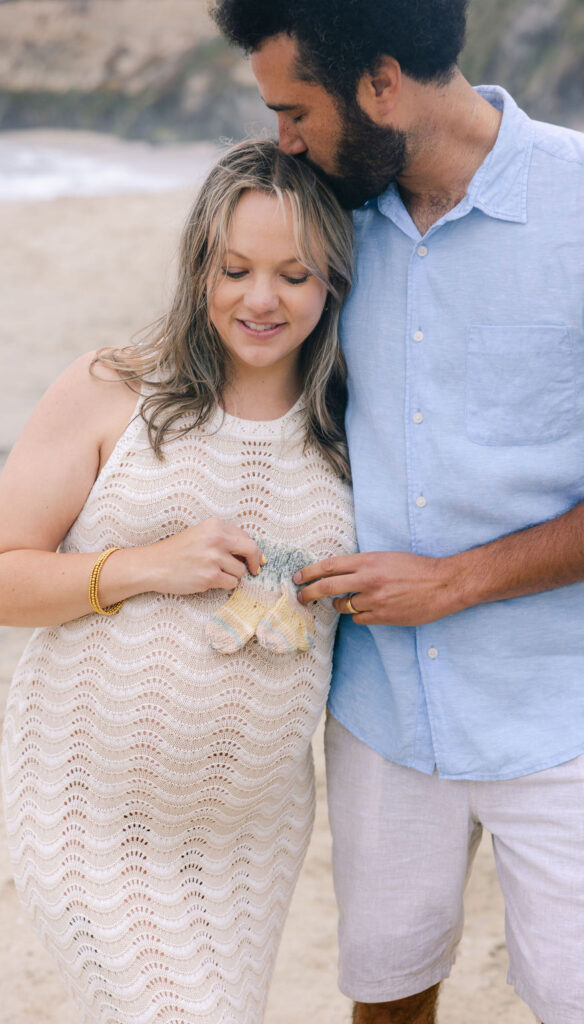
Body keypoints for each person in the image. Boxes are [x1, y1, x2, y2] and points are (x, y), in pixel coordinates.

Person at [214, 2, 584, 1023]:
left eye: (296, 111)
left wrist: (455, 579)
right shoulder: (318, 216)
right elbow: (223, 345)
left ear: (381, 83)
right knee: (384, 998)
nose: (281, 140)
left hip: (565, 715)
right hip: (378, 711)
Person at [0, 138, 356, 1024]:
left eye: (295, 274)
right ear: (199, 265)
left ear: (334, 282)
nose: (261, 299)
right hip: (88, 816)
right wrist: (149, 567)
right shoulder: (113, 391)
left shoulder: (356, 430)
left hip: (249, 838)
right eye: (234, 269)